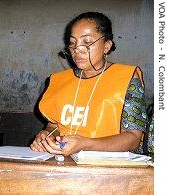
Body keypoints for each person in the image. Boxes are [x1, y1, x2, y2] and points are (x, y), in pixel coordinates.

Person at [30, 12, 148, 156]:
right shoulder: (58, 80)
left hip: (109, 167)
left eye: (86, 42)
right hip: (63, 162)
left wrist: (85, 144)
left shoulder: (127, 77)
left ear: (106, 46)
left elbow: (133, 138)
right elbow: (54, 126)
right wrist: (47, 136)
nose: (77, 50)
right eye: (72, 43)